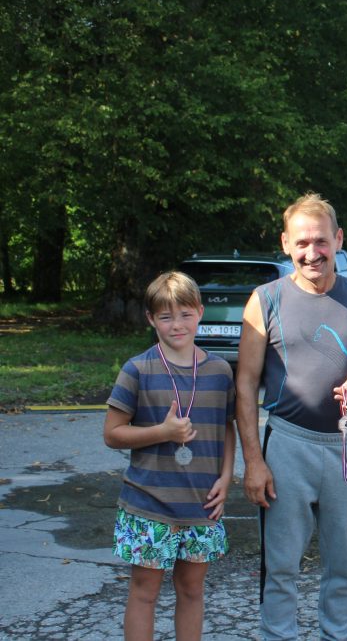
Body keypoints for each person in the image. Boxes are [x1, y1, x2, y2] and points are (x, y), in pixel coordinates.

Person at [235, 193, 347, 641]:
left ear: (338, 240)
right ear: (286, 243)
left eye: (321, 241)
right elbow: (245, 384)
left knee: (344, 564)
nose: (312, 252)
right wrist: (254, 461)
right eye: (302, 243)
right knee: (281, 564)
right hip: (288, 445)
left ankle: (336, 635)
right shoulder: (265, 300)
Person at [104, 271, 236, 641]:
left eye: (185, 314)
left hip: (201, 506)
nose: (176, 325)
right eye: (165, 316)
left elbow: (226, 427)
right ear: (151, 319)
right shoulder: (137, 369)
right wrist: (162, 433)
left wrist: (227, 477)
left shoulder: (220, 371)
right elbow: (112, 434)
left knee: (192, 591)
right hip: (149, 504)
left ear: (200, 312)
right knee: (144, 593)